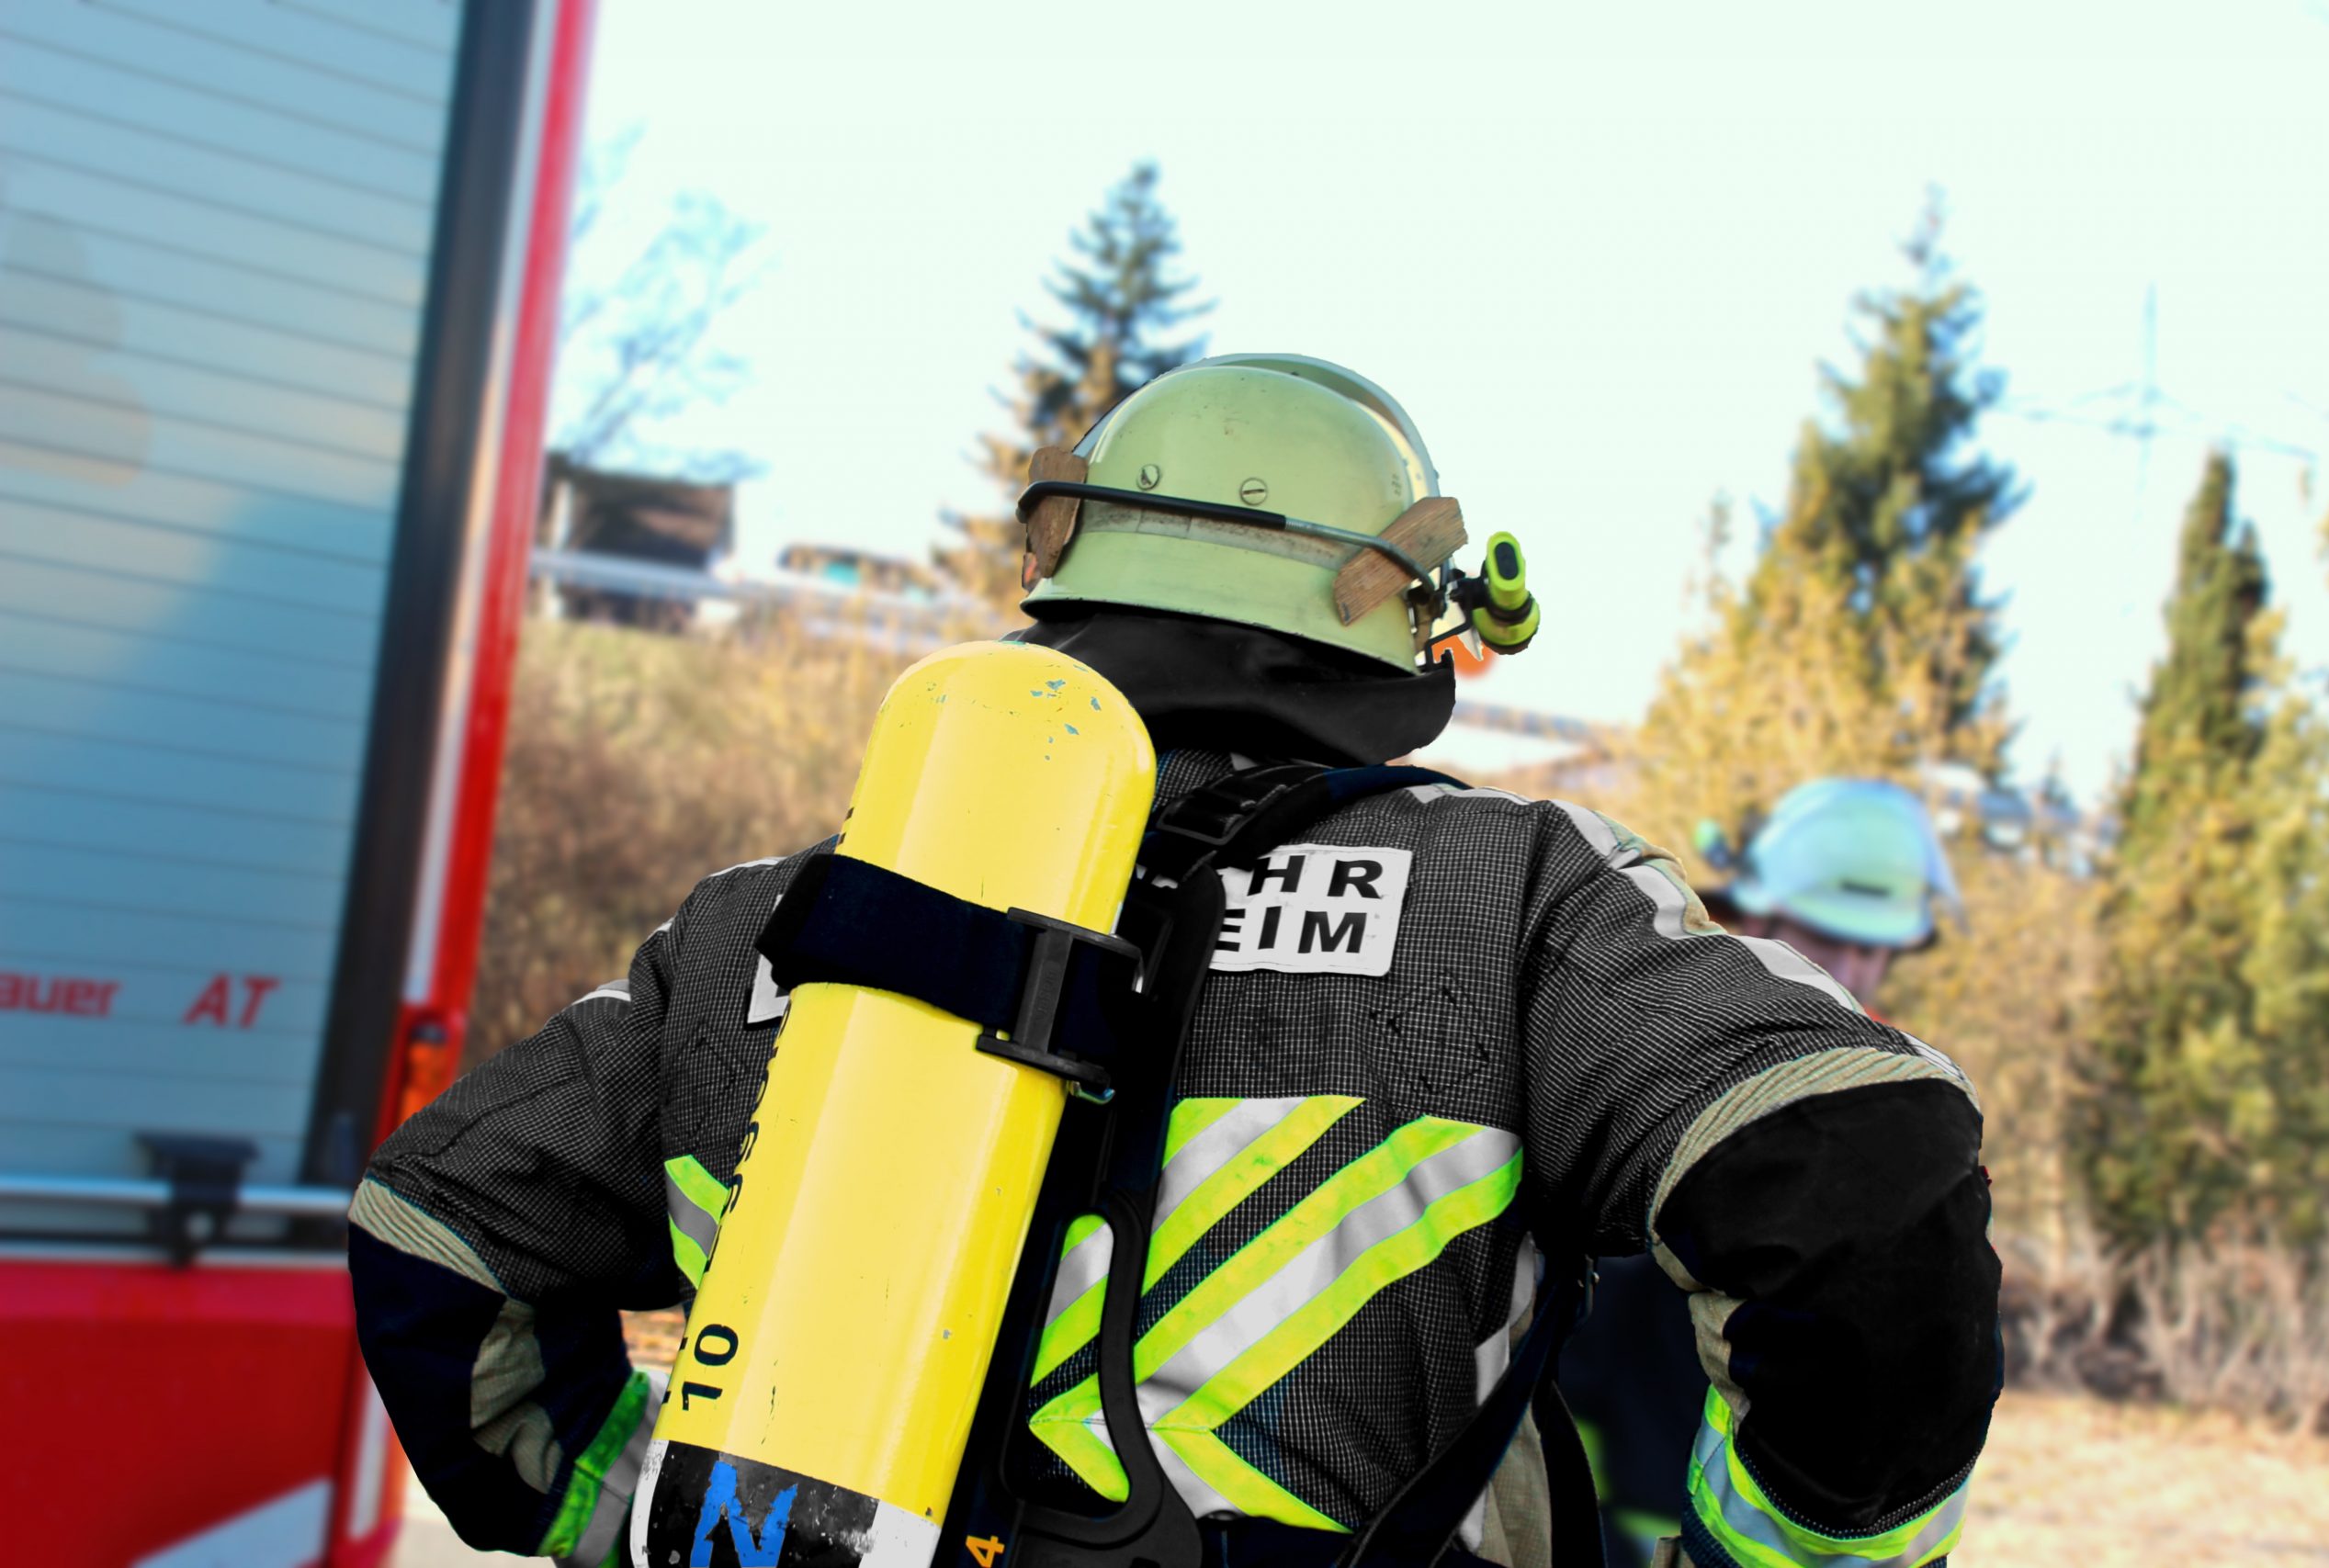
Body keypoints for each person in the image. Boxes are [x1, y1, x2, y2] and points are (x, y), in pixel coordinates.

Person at [347, 355, 2000, 1568]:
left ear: (1070, 579)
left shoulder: (769, 921)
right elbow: (1863, 1172)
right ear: (1404, 617)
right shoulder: (1510, 900)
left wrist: (632, 1508)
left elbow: (437, 1225)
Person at [1556, 779, 1964, 1565]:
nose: (1850, 970)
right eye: (1827, 937)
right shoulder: (1644, 1057)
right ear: (1755, 920)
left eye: (1873, 947)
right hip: (1607, 1505)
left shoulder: (1884, 1105)